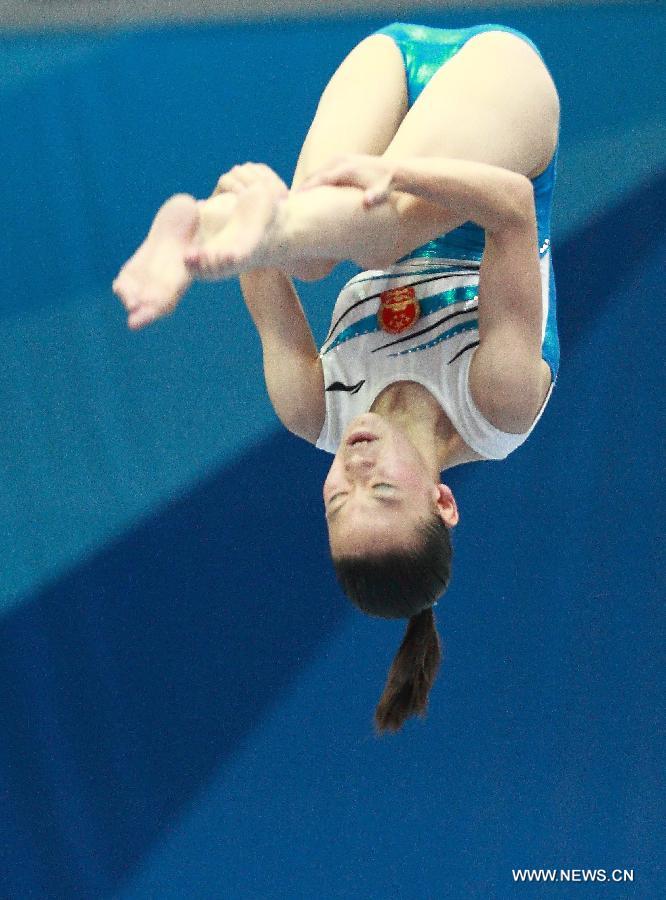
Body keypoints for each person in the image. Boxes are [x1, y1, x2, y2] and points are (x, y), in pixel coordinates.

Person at [113, 22, 560, 734]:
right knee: (372, 237)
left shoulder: (310, 410)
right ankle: (222, 223)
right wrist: (402, 175)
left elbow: (256, 265)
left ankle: (190, 228)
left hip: (392, 63)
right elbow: (509, 207)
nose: (353, 468)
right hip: (503, 98)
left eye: (336, 502)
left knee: (310, 258)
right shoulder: (497, 404)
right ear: (443, 502)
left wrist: (241, 227)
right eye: (380, 490)